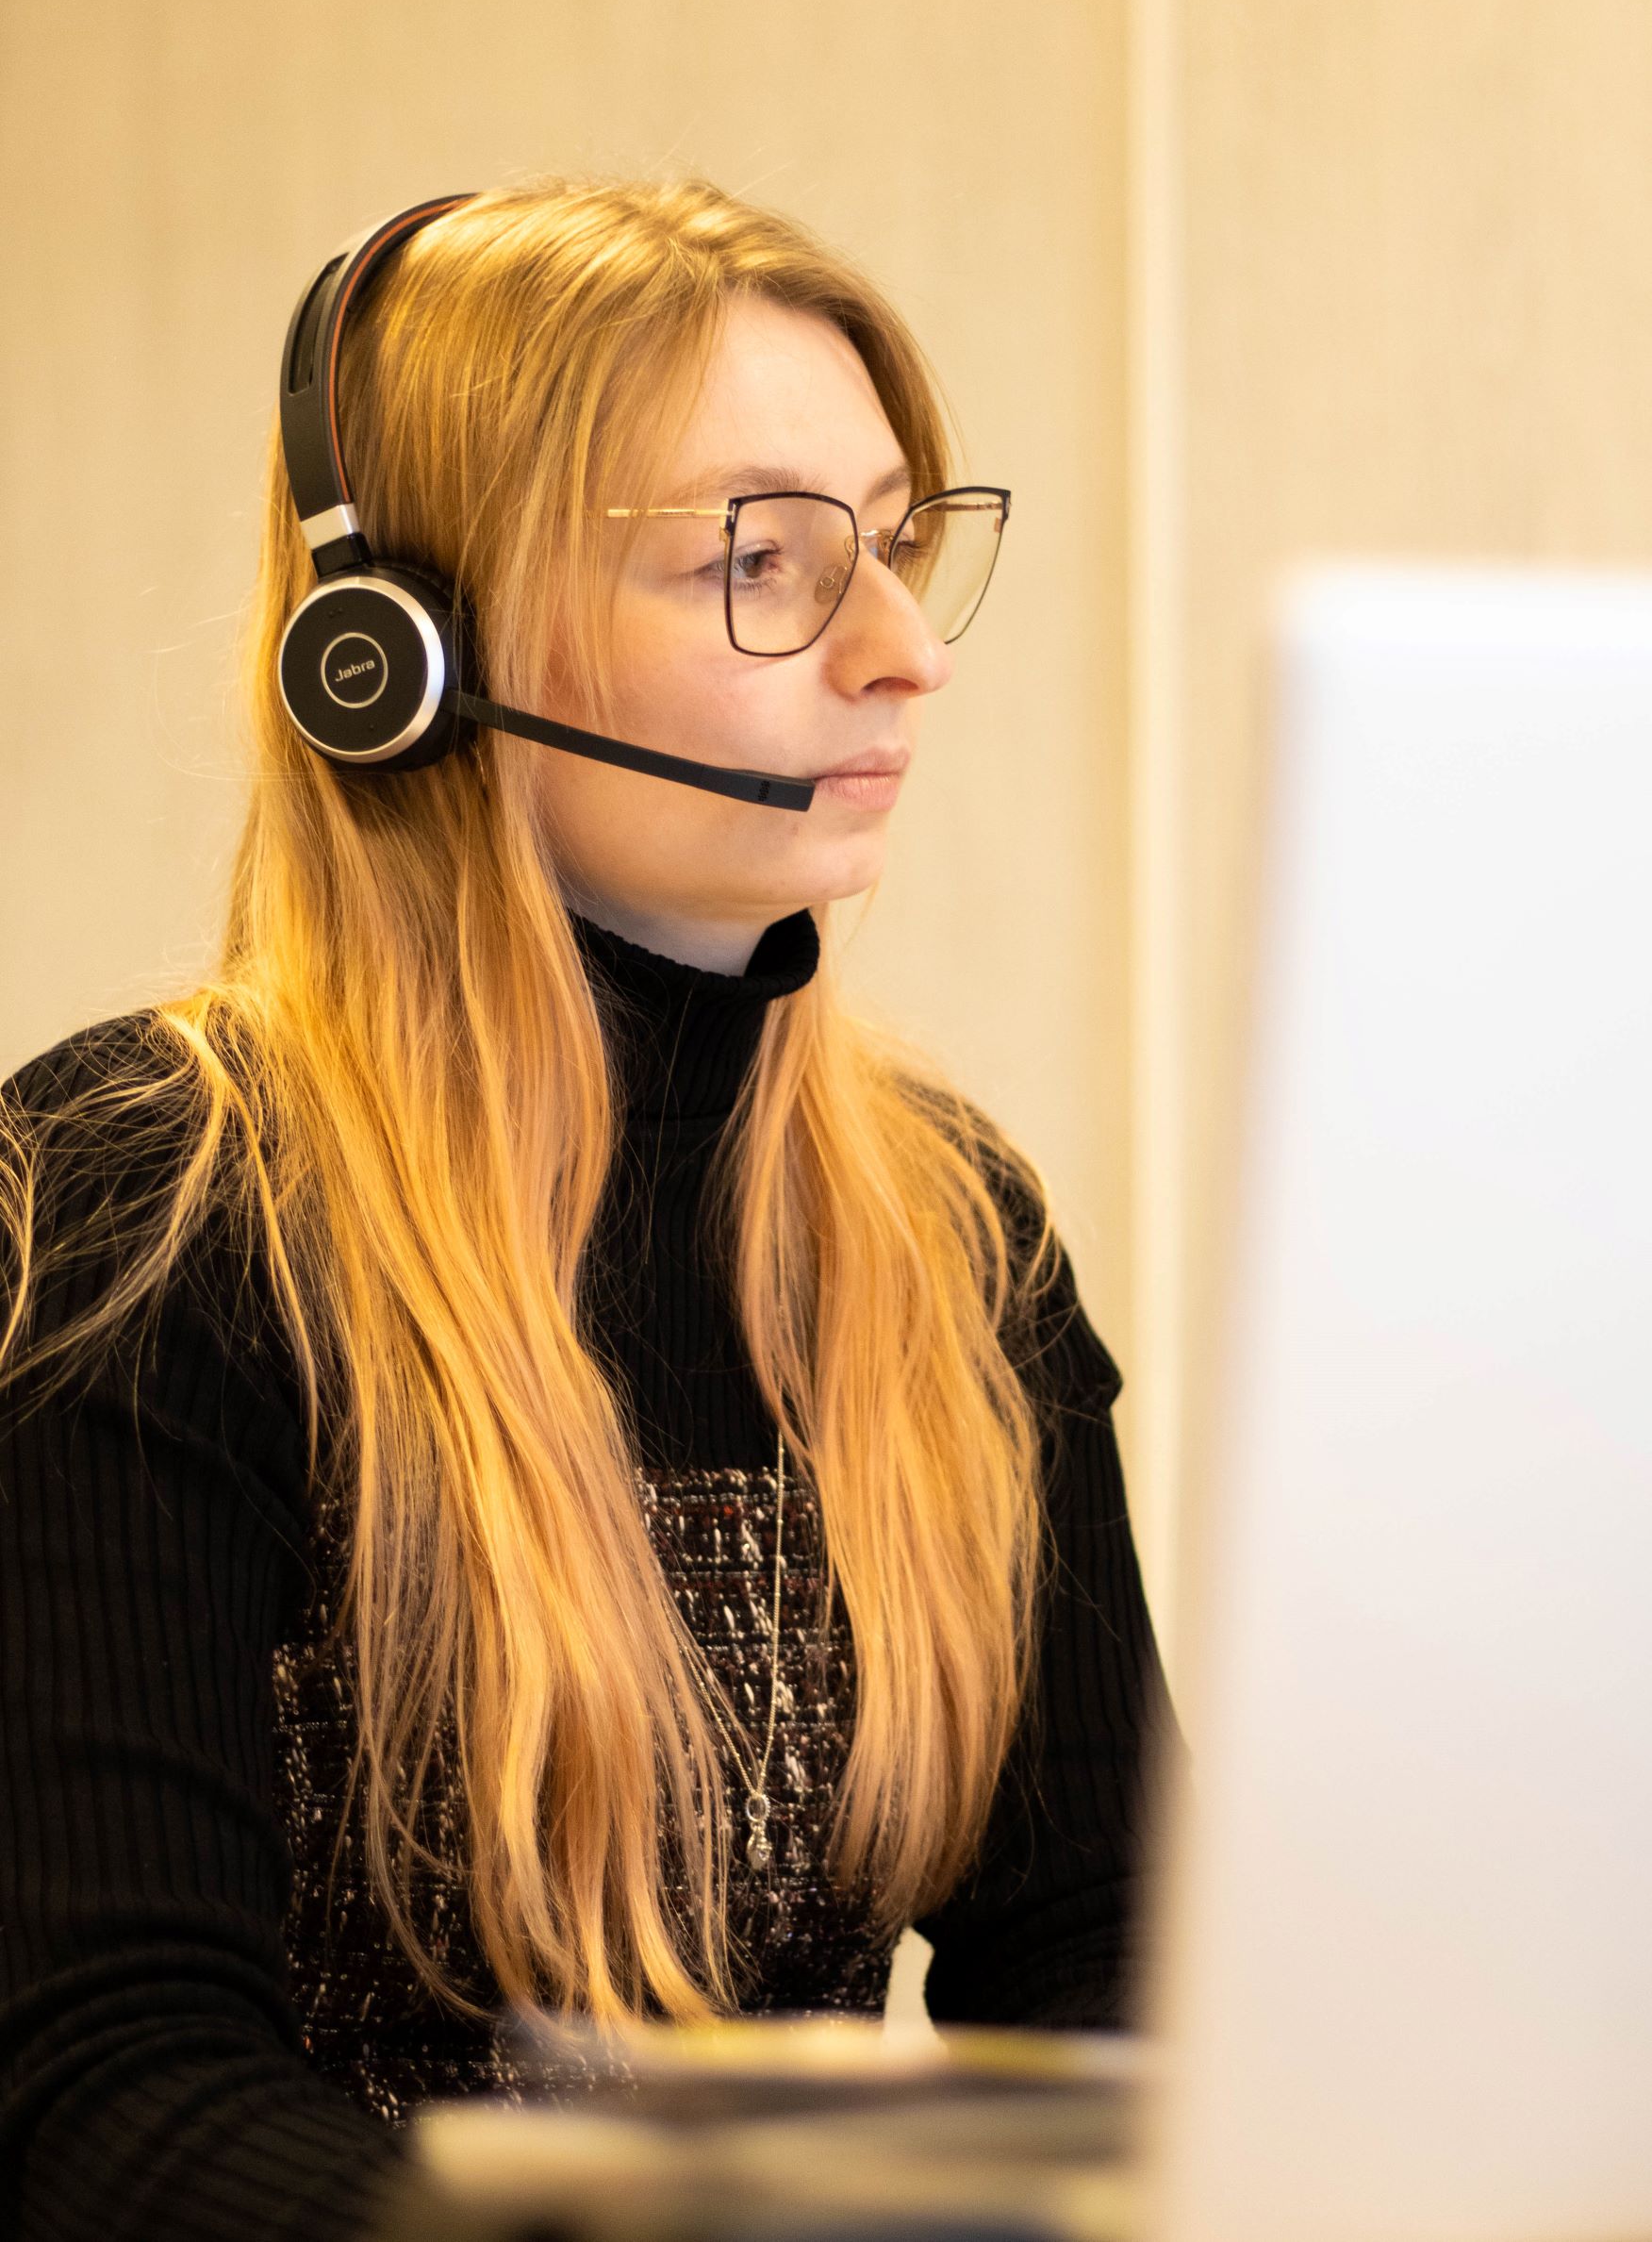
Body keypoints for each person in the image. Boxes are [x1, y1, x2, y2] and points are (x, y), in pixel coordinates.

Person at [0, 178, 1173, 2242]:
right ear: (403, 653)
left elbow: (1107, 1955)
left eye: (893, 542)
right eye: (764, 562)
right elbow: (106, 2086)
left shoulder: (950, 1231)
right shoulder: (138, 1199)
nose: (905, 655)